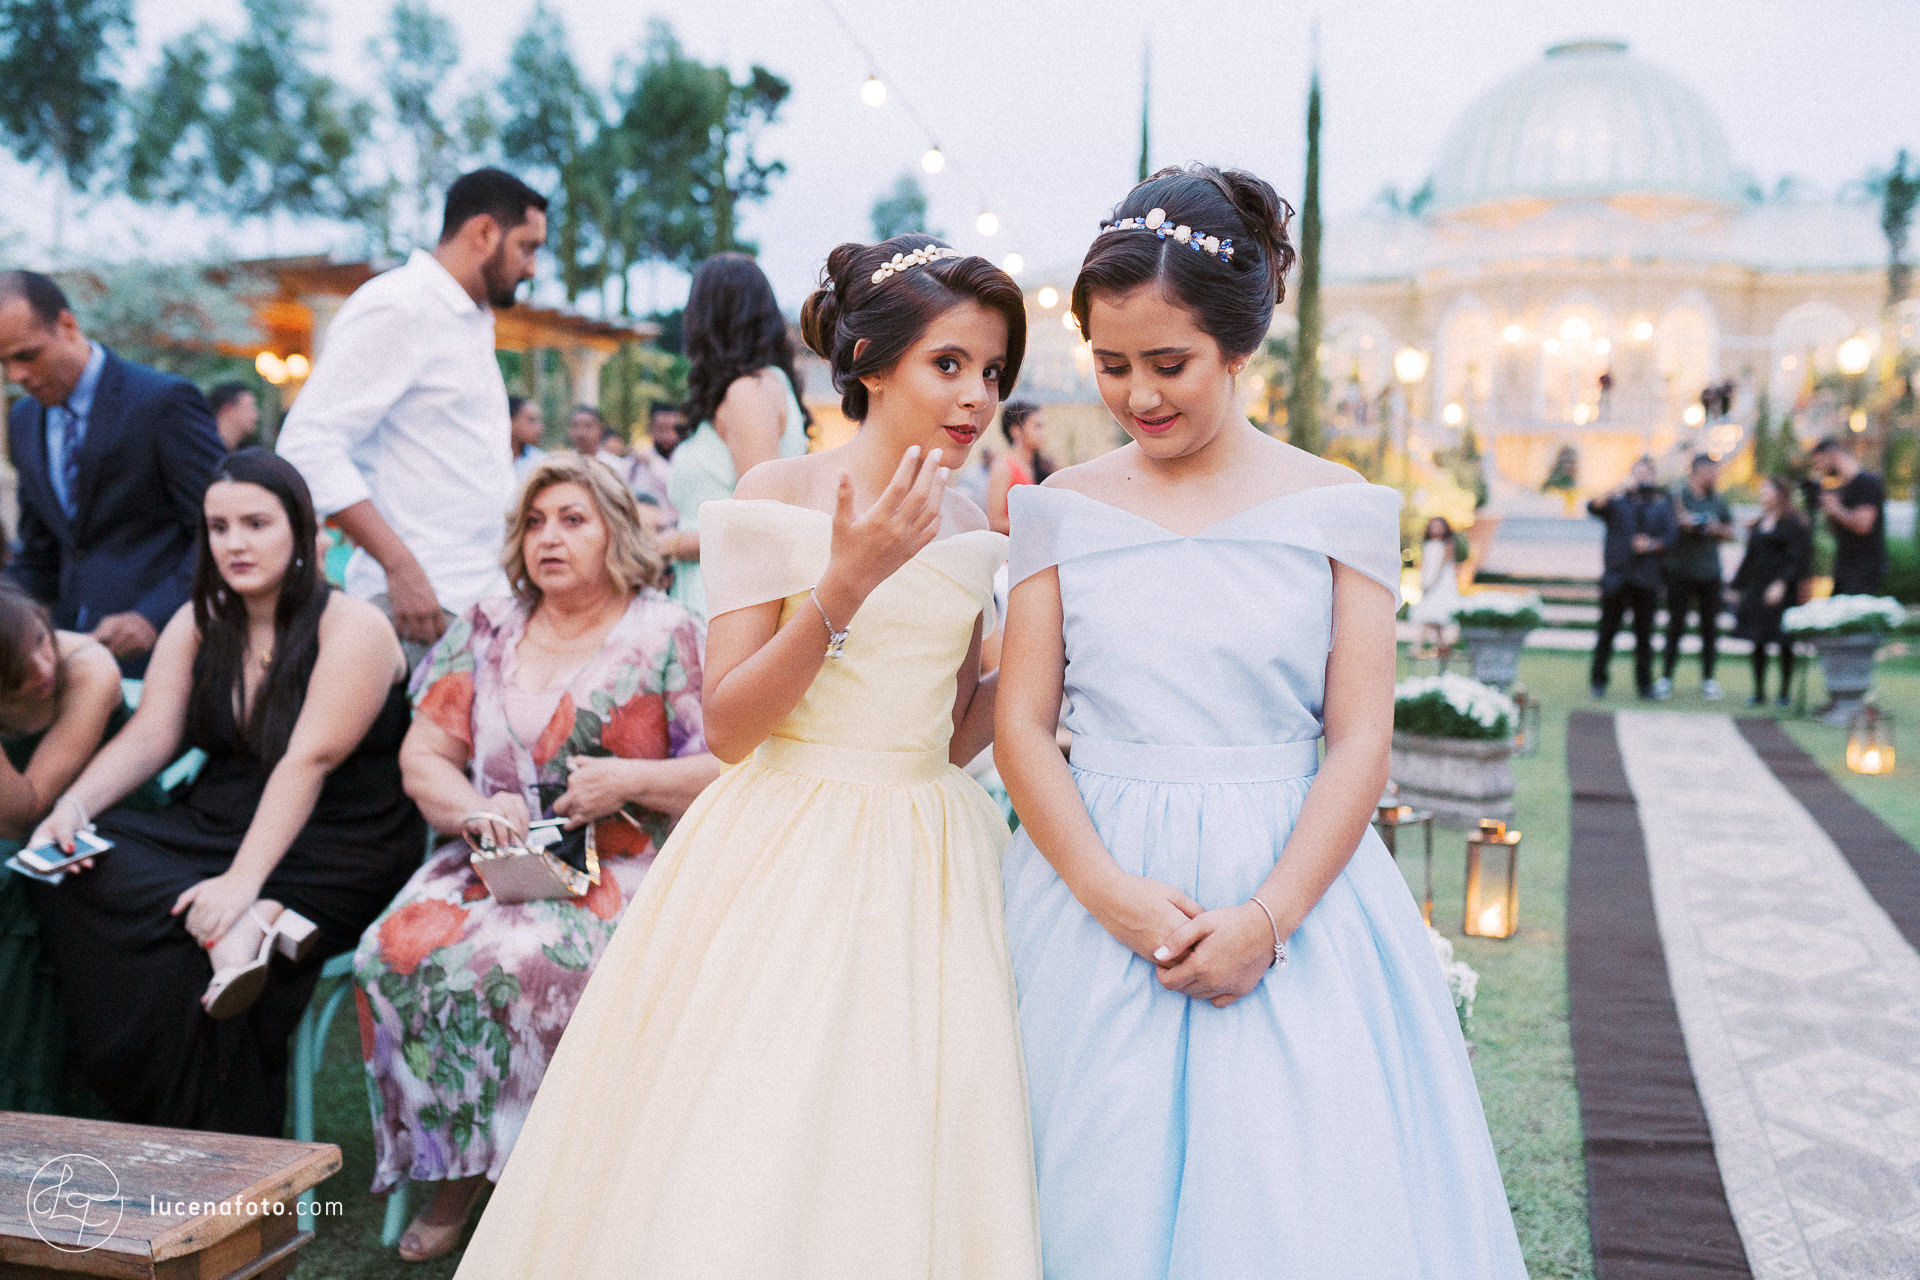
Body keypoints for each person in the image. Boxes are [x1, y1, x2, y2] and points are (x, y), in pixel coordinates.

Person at [452, 234, 1037, 1279]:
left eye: (993, 372)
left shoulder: (965, 516)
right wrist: (843, 586)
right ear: (869, 361)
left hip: (930, 852)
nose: (976, 396)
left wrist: (1044, 655)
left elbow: (948, 733)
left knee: (907, 1121)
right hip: (786, 842)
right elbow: (729, 725)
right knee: (753, 1116)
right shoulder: (780, 488)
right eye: (948, 363)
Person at [994, 164, 1525, 1279]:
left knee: (1287, 1193)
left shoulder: (1339, 510)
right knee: (1079, 1179)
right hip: (1092, 883)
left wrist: (1268, 919)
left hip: (1291, 884)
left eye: (1169, 363)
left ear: (1238, 346)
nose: (1139, 395)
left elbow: (1360, 737)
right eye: (1111, 365)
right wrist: (1106, 890)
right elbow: (1023, 727)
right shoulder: (1057, 511)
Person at [355, 454, 718, 1261]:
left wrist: (630, 780)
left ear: (616, 532)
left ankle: (560, 1184)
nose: (548, 538)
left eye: (572, 520)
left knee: (534, 964)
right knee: (392, 952)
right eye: (534, 522)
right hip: (493, 863)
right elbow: (424, 759)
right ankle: (456, 1165)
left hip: (624, 863)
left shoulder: (669, 631)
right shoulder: (487, 626)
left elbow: (727, 768)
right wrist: (477, 811)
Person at [24, 450, 425, 1135]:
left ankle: (219, 1141)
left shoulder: (353, 626)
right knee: (74, 866)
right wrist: (73, 806)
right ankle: (233, 942)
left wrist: (242, 883)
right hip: (220, 815)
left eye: (256, 524)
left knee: (187, 941)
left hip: (339, 838)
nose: (235, 543)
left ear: (302, 530)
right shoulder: (200, 620)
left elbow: (308, 761)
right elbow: (152, 736)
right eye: (219, 527)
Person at [277, 168, 548, 667]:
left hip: (478, 600)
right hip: (418, 608)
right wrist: (400, 569)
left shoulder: (470, 319)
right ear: (484, 233)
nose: (532, 268)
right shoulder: (400, 304)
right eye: (527, 248)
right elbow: (307, 444)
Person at [0, 270, 225, 676]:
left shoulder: (163, 401)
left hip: (170, 657)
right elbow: (40, 555)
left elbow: (220, 527)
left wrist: (153, 616)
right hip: (70, 659)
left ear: (68, 325)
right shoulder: (23, 419)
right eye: (3, 362)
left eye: (27, 355)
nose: (15, 376)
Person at [0, 584, 141, 1113]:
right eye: (15, 670)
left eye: (41, 641)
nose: (42, 669)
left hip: (103, 819)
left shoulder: (88, 667)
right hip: (23, 833)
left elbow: (25, 810)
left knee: (12, 889)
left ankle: (33, 1097)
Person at [663, 254, 813, 618]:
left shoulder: (748, 393)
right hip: (710, 586)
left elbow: (760, 525)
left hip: (727, 600)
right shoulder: (760, 386)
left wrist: (665, 544)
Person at [1586, 457, 1677, 699]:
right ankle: (1598, 680)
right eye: (1637, 474)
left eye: (1646, 474)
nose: (1641, 478)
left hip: (1646, 579)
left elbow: (1671, 538)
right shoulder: (1617, 504)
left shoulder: (1661, 506)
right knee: (1607, 632)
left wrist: (1651, 544)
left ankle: (1644, 685)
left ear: (1653, 477)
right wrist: (1616, 489)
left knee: (1644, 636)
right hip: (1617, 577)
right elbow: (1593, 507)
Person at [1656, 453, 1734, 701]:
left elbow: (1731, 531)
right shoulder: (1677, 497)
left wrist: (1715, 528)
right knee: (1675, 626)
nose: (1715, 476)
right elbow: (1665, 526)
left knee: (1709, 628)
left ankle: (1709, 678)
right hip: (1681, 570)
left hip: (1710, 572)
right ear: (1698, 472)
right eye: (1711, 472)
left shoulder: (1718, 499)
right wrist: (1685, 524)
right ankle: (1666, 677)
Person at [1731, 476, 1812, 707]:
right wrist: (1737, 586)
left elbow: (1798, 557)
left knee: (1784, 641)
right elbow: (1750, 558)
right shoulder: (1759, 524)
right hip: (1758, 587)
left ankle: (1784, 692)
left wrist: (1782, 583)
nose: (1763, 494)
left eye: (1766, 489)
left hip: (1782, 589)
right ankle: (1759, 691)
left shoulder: (1793, 523)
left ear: (1779, 493)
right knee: (1758, 640)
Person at [1806, 436, 1887, 596]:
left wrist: (1836, 509)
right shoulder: (1842, 488)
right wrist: (1829, 511)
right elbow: (1837, 531)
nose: (1819, 468)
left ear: (1833, 455)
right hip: (1844, 566)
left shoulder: (1867, 483)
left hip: (1863, 569)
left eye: (1820, 462)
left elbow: (1864, 525)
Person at [986, 400, 1049, 534]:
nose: (1043, 433)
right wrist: (1037, 525)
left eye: (1043, 426)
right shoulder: (1003, 466)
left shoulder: (1038, 465)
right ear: (1016, 431)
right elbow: (995, 523)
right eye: (1037, 426)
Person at [1409, 515, 1463, 663]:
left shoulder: (1447, 544)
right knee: (1432, 617)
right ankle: (1443, 648)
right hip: (1428, 580)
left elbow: (1442, 565)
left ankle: (1417, 646)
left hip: (1440, 583)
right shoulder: (1427, 544)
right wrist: (1423, 580)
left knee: (1430, 614)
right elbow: (1425, 564)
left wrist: (1432, 582)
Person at [208, 381, 260, 451]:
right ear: (228, 409)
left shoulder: (240, 450)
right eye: (250, 407)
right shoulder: (204, 448)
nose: (256, 414)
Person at [508, 395, 547, 481]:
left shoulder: (541, 463)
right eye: (532, 420)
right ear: (511, 421)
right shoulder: (490, 460)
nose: (540, 427)